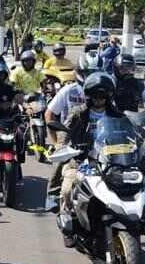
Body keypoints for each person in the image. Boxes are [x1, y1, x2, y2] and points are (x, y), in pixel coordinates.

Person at [57, 72, 121, 245]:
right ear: (89, 96)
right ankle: (67, 220)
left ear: (108, 96)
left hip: (109, 160)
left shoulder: (116, 114)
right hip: (81, 159)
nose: (99, 99)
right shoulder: (78, 112)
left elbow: (127, 131)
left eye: (102, 95)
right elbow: (65, 129)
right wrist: (61, 145)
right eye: (95, 95)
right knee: (68, 188)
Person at [42, 51, 101, 211]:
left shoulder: (104, 90)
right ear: (80, 72)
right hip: (69, 130)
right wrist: (55, 142)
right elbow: (49, 113)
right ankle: (52, 193)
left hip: (98, 130)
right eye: (87, 73)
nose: (90, 77)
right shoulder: (69, 90)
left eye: (94, 73)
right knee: (61, 157)